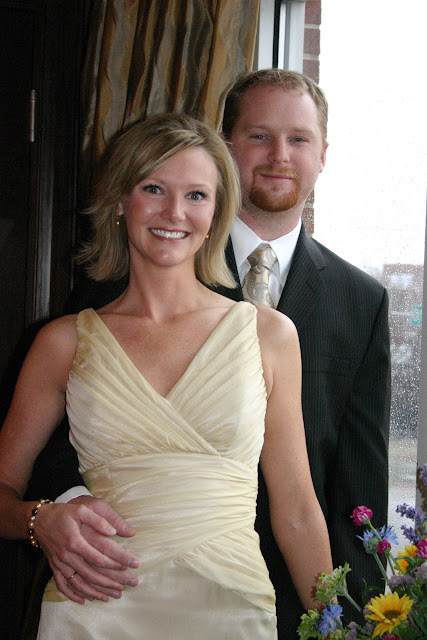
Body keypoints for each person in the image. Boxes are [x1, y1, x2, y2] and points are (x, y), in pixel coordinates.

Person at [20, 71, 390, 638]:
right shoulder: (75, 328)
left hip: (241, 606)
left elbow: (323, 495)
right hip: (95, 604)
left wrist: (351, 623)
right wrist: (44, 518)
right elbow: (35, 462)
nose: (174, 212)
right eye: (153, 188)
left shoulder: (320, 315)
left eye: (195, 194)